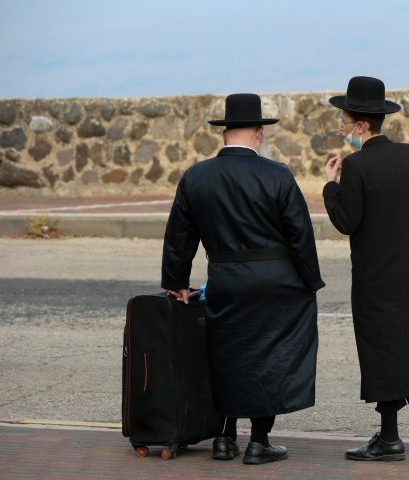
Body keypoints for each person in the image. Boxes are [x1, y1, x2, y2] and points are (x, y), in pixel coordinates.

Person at [161, 93, 325, 465]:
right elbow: (300, 234)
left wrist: (177, 282)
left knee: (226, 354)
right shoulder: (278, 175)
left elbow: (179, 237)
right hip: (276, 282)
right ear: (257, 133)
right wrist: (310, 281)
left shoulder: (195, 177)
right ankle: (260, 441)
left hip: (225, 277)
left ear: (223, 135)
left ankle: (225, 437)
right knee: (271, 354)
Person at [323, 76, 409, 461]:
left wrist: (331, 185)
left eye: (343, 123)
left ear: (361, 125)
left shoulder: (357, 166)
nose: (342, 130)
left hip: (374, 279)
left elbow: (346, 220)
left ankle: (389, 437)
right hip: (408, 273)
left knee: (381, 351)